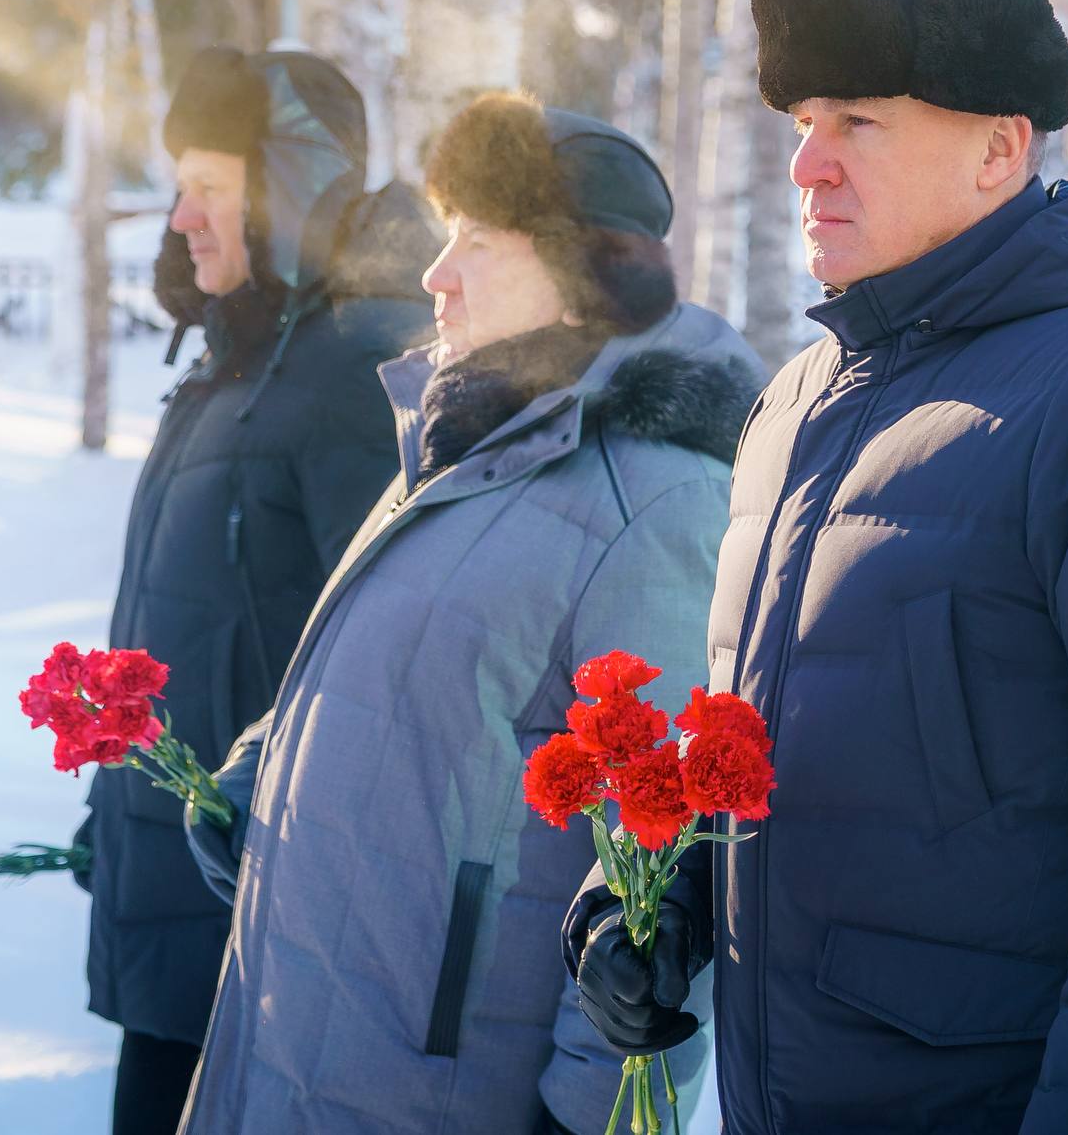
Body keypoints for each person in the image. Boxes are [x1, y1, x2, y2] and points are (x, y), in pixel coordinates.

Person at [567, 0, 1068, 1134]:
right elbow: (771, 731)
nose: (807, 163)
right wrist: (655, 899)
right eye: (803, 120)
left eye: (857, 121)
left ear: (997, 148)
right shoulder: (799, 397)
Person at [177, 93, 760, 1135]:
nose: (436, 273)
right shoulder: (465, 441)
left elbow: (655, 878)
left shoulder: (654, 502)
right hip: (307, 1034)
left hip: (442, 1088)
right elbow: (414, 674)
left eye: (477, 242)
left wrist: (591, 1120)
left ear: (584, 281)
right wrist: (265, 766)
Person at [76, 46, 434, 1135]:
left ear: (285, 195)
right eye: (179, 185)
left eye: (213, 187)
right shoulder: (227, 364)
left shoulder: (348, 376)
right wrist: (116, 808)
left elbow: (377, 662)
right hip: (175, 896)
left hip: (263, 926)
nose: (182, 216)